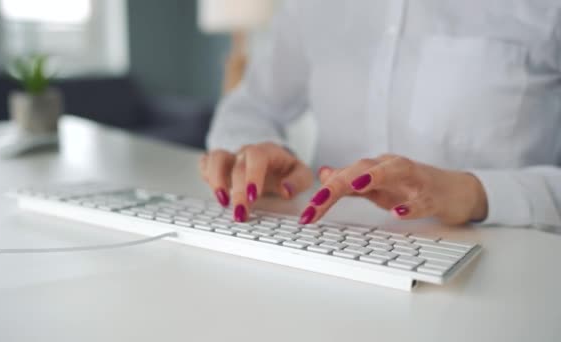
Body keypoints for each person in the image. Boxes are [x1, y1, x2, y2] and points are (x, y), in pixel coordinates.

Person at [200, 0, 561, 230]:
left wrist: (474, 194)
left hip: (507, 267)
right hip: (328, 246)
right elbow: (249, 106)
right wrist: (256, 158)